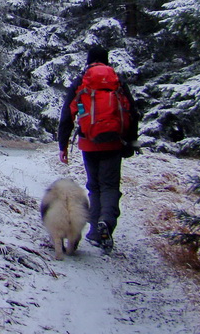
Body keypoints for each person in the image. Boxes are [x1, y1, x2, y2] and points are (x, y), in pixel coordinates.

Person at [57, 46, 139, 252]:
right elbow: (132, 113)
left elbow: (67, 114)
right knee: (110, 186)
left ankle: (95, 231)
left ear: (89, 60)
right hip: (114, 142)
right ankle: (106, 224)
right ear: (106, 60)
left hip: (89, 142)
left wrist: (63, 145)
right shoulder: (117, 81)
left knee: (95, 187)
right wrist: (131, 142)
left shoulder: (82, 81)